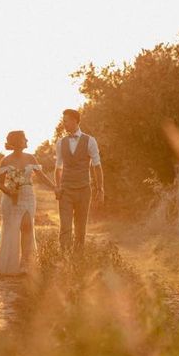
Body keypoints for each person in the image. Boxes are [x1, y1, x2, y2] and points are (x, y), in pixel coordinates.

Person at [0, 130, 57, 275]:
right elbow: (0, 184)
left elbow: (42, 177)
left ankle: (25, 264)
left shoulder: (31, 158)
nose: (27, 141)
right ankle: (7, 264)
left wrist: (55, 188)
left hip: (28, 197)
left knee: (27, 227)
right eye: (25, 139)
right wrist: (10, 192)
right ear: (18, 141)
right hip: (11, 198)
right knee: (11, 229)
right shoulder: (5, 160)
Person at [54, 109, 104, 255]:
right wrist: (57, 187)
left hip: (84, 190)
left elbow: (97, 166)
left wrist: (100, 189)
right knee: (65, 227)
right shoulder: (60, 143)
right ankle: (64, 260)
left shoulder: (90, 141)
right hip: (66, 190)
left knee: (81, 228)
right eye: (63, 121)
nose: (64, 124)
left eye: (66, 121)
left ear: (75, 120)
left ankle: (78, 260)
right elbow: (58, 168)